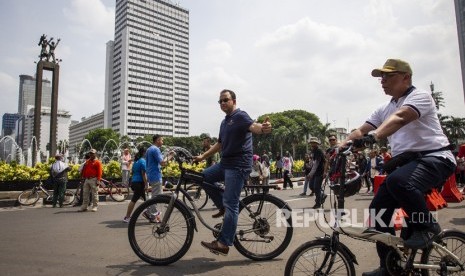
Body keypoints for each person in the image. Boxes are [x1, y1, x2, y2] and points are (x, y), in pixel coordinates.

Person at [342, 59, 456, 276]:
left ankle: (428, 227)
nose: (382, 81)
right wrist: (342, 144)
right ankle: (390, 266)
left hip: (436, 158)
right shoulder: (384, 108)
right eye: (380, 77)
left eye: (388, 76)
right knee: (377, 213)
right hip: (410, 164)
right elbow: (361, 130)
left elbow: (401, 118)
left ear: (406, 77)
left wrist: (374, 137)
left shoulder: (419, 97)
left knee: (398, 181)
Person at [194, 89, 271, 256]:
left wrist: (264, 128)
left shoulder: (240, 116)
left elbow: (254, 127)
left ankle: (223, 243)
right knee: (204, 177)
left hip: (238, 165)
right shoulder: (224, 122)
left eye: (225, 100)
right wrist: (202, 156)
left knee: (231, 204)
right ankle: (222, 205)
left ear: (233, 100)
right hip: (225, 163)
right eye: (220, 101)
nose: (222, 103)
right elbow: (219, 144)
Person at [143, 134, 173, 222]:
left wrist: (168, 155)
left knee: (155, 196)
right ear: (157, 140)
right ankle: (151, 215)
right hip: (155, 175)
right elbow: (163, 162)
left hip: (151, 174)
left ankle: (150, 212)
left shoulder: (149, 149)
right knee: (156, 197)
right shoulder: (156, 149)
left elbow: (158, 161)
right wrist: (171, 155)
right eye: (162, 140)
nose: (162, 142)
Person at [123, 147, 147, 223]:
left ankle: (150, 214)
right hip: (139, 183)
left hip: (134, 182)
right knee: (134, 200)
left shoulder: (136, 161)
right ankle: (127, 217)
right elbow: (143, 174)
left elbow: (133, 172)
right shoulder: (142, 161)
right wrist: (146, 184)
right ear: (144, 153)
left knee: (146, 200)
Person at [307, 137, 326, 208]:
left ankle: (318, 203)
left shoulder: (319, 151)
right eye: (311, 142)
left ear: (317, 143)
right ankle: (322, 195)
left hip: (320, 171)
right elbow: (312, 162)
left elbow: (316, 164)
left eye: (314, 142)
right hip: (314, 172)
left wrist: (310, 174)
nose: (312, 144)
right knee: (311, 186)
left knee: (316, 187)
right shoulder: (313, 151)